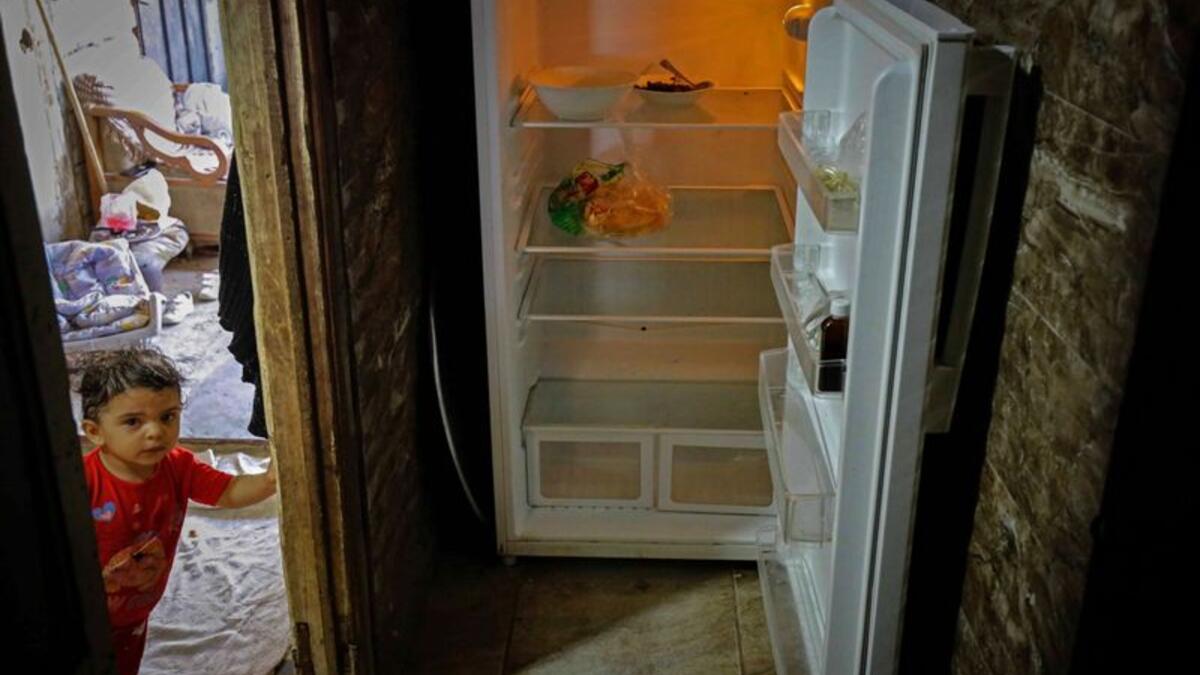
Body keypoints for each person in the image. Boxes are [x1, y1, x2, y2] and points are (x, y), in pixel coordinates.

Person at [78, 348, 277, 674]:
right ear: (95, 431)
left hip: (136, 615)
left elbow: (228, 492)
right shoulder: (84, 481)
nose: (155, 431)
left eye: (167, 416)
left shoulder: (178, 466)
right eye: (133, 422)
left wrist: (269, 481)